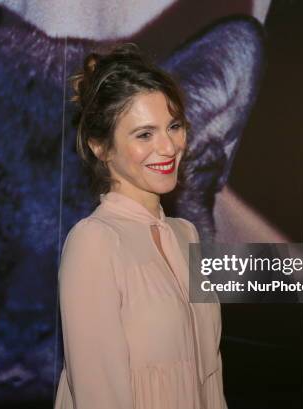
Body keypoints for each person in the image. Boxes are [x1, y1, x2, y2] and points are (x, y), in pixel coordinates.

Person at [54, 43, 227, 409]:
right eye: (144, 134)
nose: (168, 147)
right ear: (100, 147)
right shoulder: (94, 242)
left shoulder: (187, 234)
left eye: (174, 126)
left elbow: (210, 376)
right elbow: (100, 397)